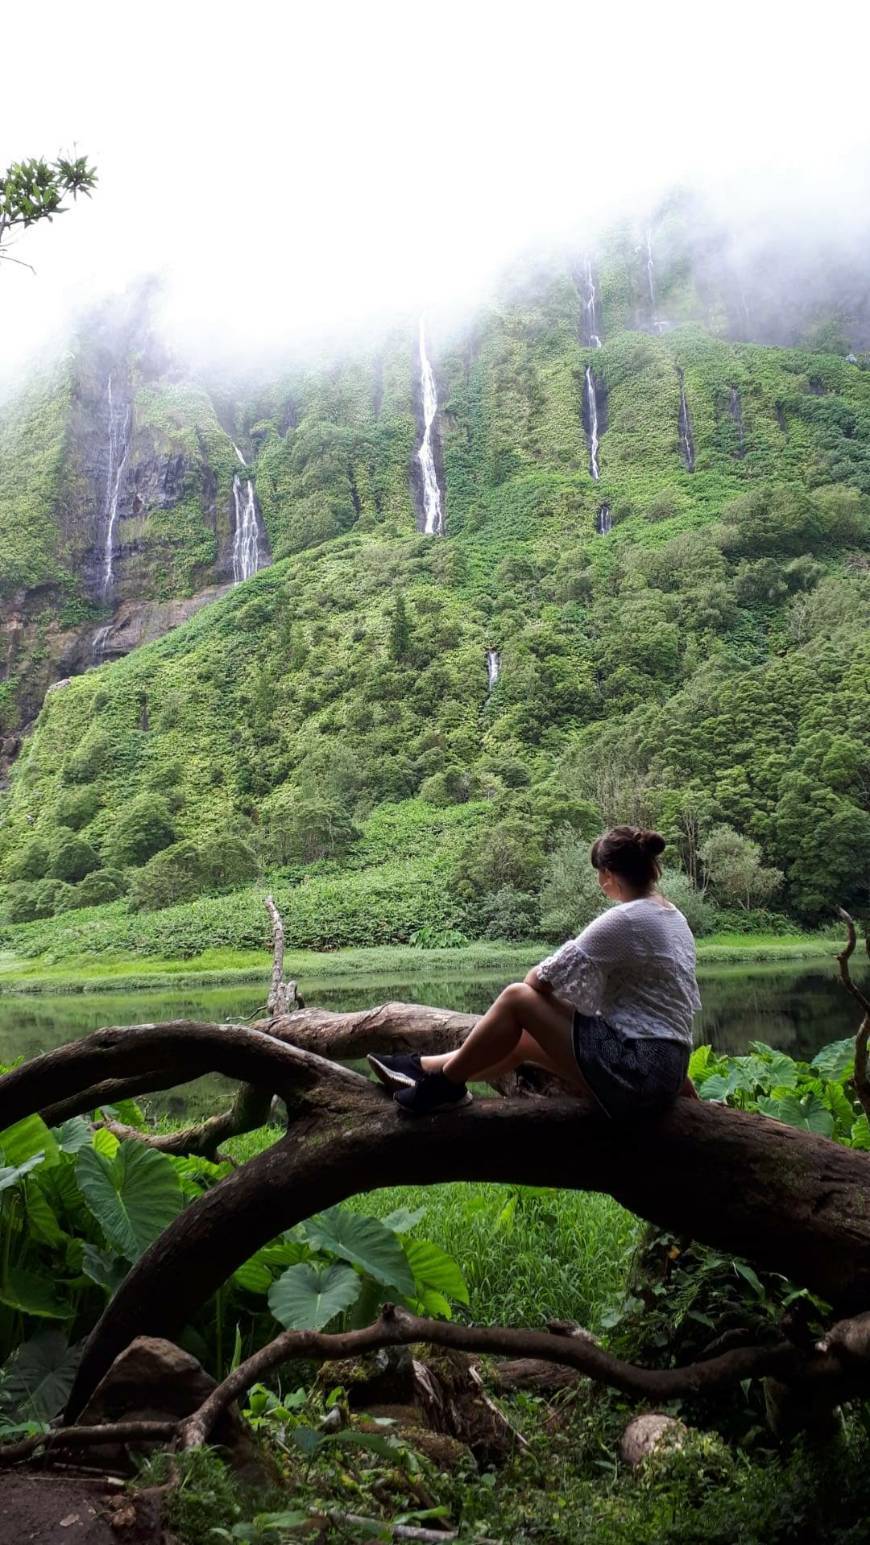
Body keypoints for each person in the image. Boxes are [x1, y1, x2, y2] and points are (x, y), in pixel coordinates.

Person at [368, 825, 701, 1119]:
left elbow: (538, 980)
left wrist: (551, 1006)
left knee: (517, 998)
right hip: (663, 1072)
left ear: (607, 875)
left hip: (638, 1073)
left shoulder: (627, 918)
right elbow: (663, 1016)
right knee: (525, 1040)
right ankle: (423, 1068)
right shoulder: (672, 917)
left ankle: (444, 1087)